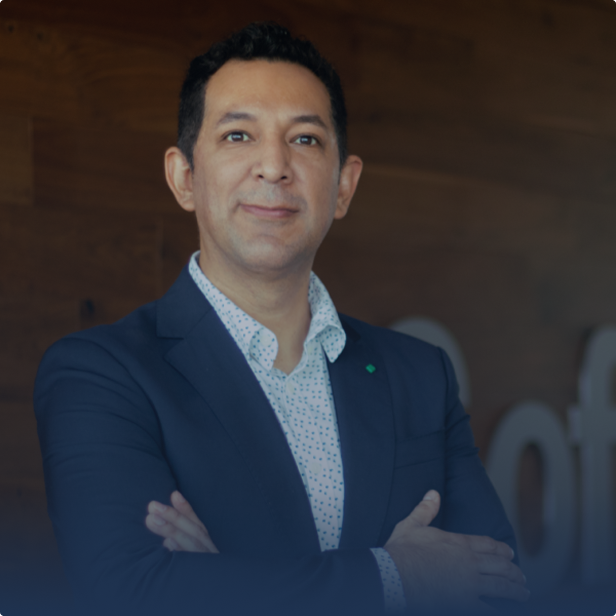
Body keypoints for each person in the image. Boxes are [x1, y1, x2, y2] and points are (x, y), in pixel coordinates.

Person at [34, 22, 529, 616]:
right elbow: (133, 595)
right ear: (184, 177)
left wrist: (224, 581)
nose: (274, 166)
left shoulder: (421, 376)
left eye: (306, 139)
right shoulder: (100, 377)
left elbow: (501, 590)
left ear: (343, 186)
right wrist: (395, 577)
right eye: (238, 135)